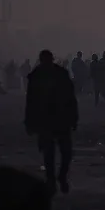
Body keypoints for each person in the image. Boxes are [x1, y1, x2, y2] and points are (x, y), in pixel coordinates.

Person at [25, 50, 78, 193]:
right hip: (50, 119)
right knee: (55, 152)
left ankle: (58, 177)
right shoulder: (41, 75)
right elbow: (31, 100)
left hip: (56, 118)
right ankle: (54, 178)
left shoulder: (57, 74)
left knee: (61, 152)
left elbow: (70, 97)